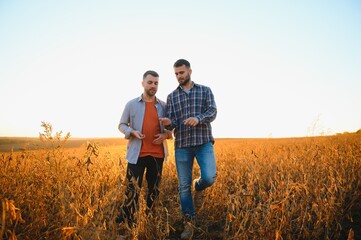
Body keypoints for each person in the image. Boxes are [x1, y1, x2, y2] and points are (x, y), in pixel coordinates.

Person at [159, 59, 217, 239]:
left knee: (209, 177)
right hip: (182, 145)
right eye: (176, 74)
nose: (178, 76)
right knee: (183, 187)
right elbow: (173, 123)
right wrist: (169, 123)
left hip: (203, 142)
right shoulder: (171, 97)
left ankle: (197, 184)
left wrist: (198, 118)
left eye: (181, 73)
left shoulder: (205, 90)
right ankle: (188, 224)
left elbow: (213, 111)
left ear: (190, 71)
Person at [116, 70, 172, 228]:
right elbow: (121, 125)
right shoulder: (131, 104)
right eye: (150, 82)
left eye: (156, 83)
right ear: (143, 84)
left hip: (157, 155)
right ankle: (128, 220)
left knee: (154, 190)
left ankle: (150, 219)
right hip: (136, 154)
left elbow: (171, 128)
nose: (153, 86)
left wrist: (166, 135)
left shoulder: (164, 106)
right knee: (132, 189)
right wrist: (131, 131)